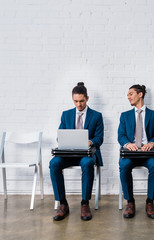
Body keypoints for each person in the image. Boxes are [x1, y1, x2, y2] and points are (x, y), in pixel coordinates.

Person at [50, 82, 104, 221]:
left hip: (87, 154)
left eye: (81, 101)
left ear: (87, 98)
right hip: (69, 153)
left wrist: (90, 141)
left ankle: (85, 203)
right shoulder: (66, 114)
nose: (78, 104)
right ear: (72, 99)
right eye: (75, 101)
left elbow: (99, 138)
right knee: (54, 163)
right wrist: (65, 139)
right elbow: (60, 135)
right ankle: (62, 203)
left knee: (87, 164)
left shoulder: (96, 116)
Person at [118, 84, 154, 219]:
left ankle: (150, 202)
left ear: (140, 94)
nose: (128, 97)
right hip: (131, 152)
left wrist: (151, 143)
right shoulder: (124, 116)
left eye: (131, 94)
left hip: (148, 152)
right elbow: (121, 135)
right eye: (128, 95)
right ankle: (130, 202)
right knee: (124, 166)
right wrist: (127, 144)